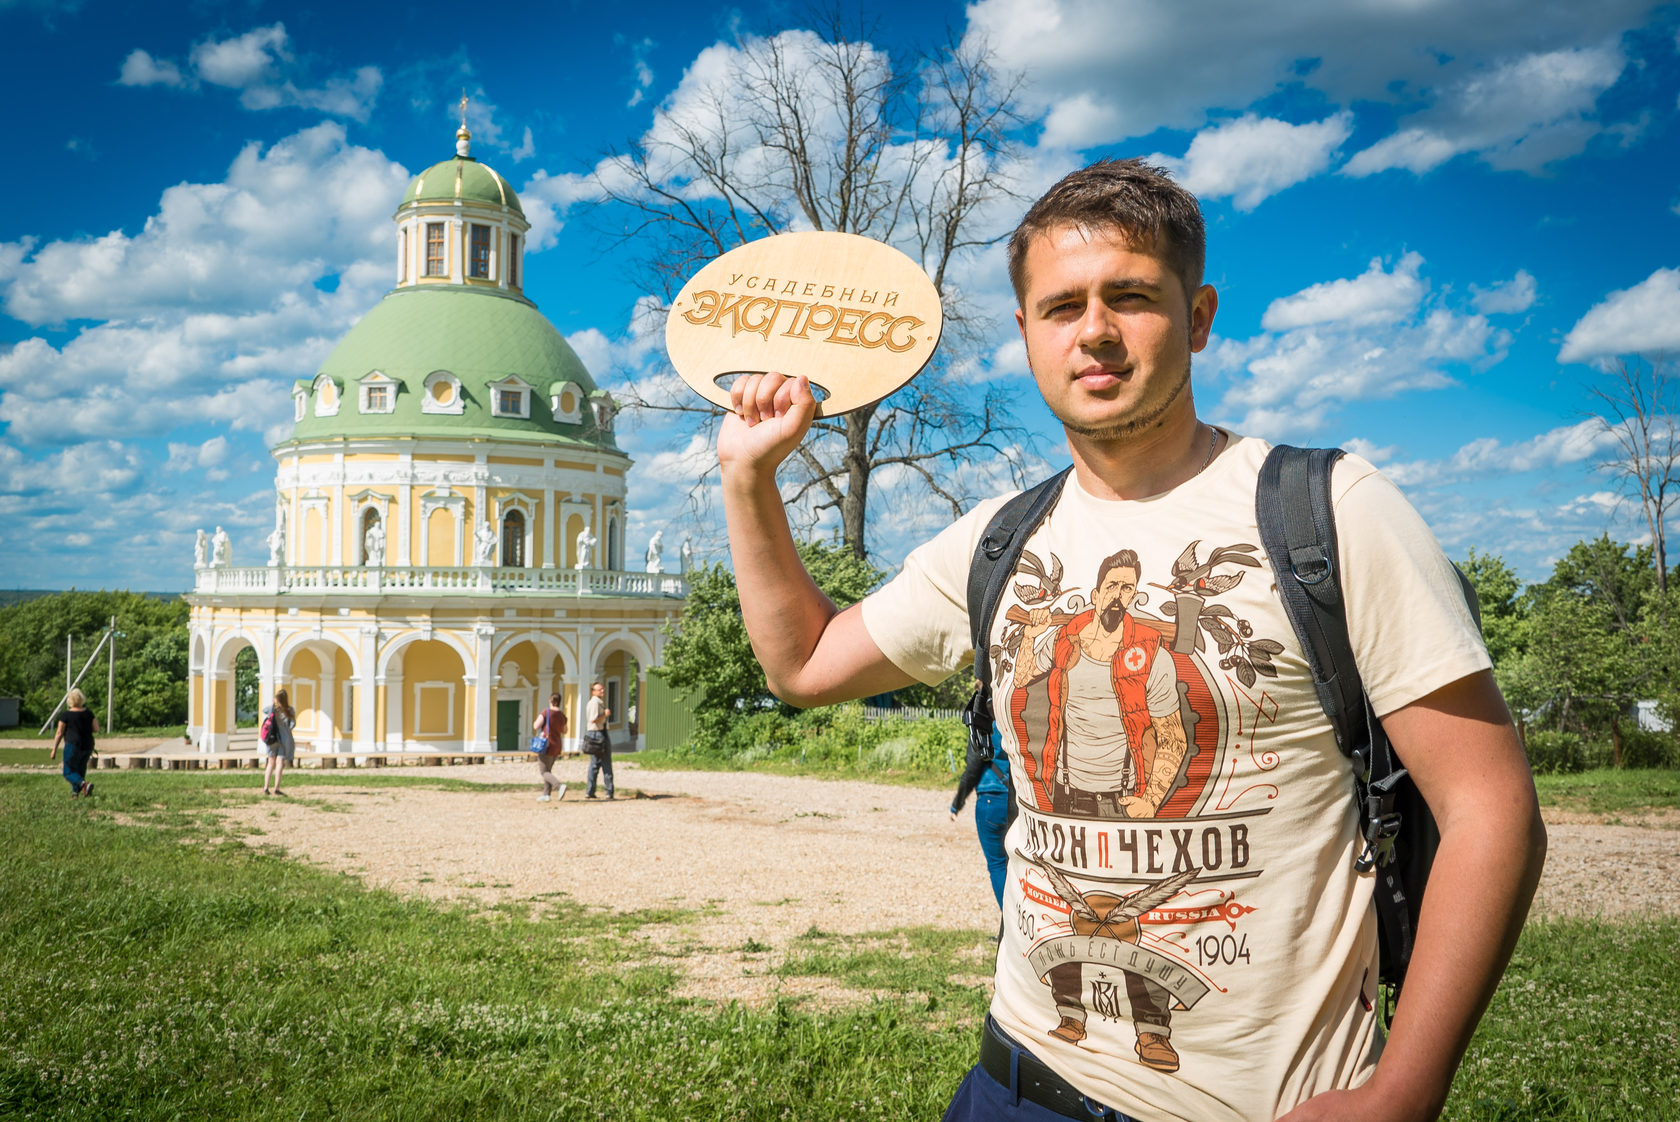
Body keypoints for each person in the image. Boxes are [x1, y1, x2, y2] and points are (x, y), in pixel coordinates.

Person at [714, 159, 1546, 1122]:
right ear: (1026, 333)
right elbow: (804, 662)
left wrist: (1407, 1088)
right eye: (1062, 306)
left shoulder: (1329, 512)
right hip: (1017, 1083)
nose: (1096, 331)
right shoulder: (998, 540)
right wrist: (749, 481)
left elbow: (1490, 803)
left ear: (1198, 316)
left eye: (1133, 297)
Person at [949, 724, 1012, 909]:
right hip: (1016, 798)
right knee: (1016, 865)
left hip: (991, 800)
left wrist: (956, 804)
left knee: (997, 865)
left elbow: (973, 768)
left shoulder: (982, 721)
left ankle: (1010, 925)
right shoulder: (1011, 715)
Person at [48, 687, 97, 799]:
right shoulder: (89, 713)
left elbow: (59, 733)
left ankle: (84, 785)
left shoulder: (66, 715)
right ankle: (76, 793)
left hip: (73, 745)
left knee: (68, 772)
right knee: (80, 770)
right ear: (82, 699)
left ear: (69, 700)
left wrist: (54, 749)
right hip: (88, 745)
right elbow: (96, 728)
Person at [532, 692, 568, 802]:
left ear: (551, 700)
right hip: (557, 745)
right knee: (548, 770)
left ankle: (559, 785)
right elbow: (565, 730)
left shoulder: (546, 712)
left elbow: (536, 726)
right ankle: (546, 794)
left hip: (546, 745)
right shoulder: (562, 716)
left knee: (544, 772)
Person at [261, 689, 297, 796]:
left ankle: (266, 787)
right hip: (284, 739)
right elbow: (292, 725)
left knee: (270, 762)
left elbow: (264, 710)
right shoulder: (290, 710)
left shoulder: (273, 709)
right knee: (280, 762)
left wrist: (273, 704)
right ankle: (276, 788)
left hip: (272, 738)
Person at [582, 680, 614, 799]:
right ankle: (608, 792)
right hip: (599, 733)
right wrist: (605, 714)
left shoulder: (594, 702)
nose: (602, 691)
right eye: (600, 689)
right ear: (593, 691)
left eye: (602, 689)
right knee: (606, 763)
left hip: (593, 734)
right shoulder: (595, 703)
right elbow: (594, 719)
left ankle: (590, 791)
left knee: (594, 764)